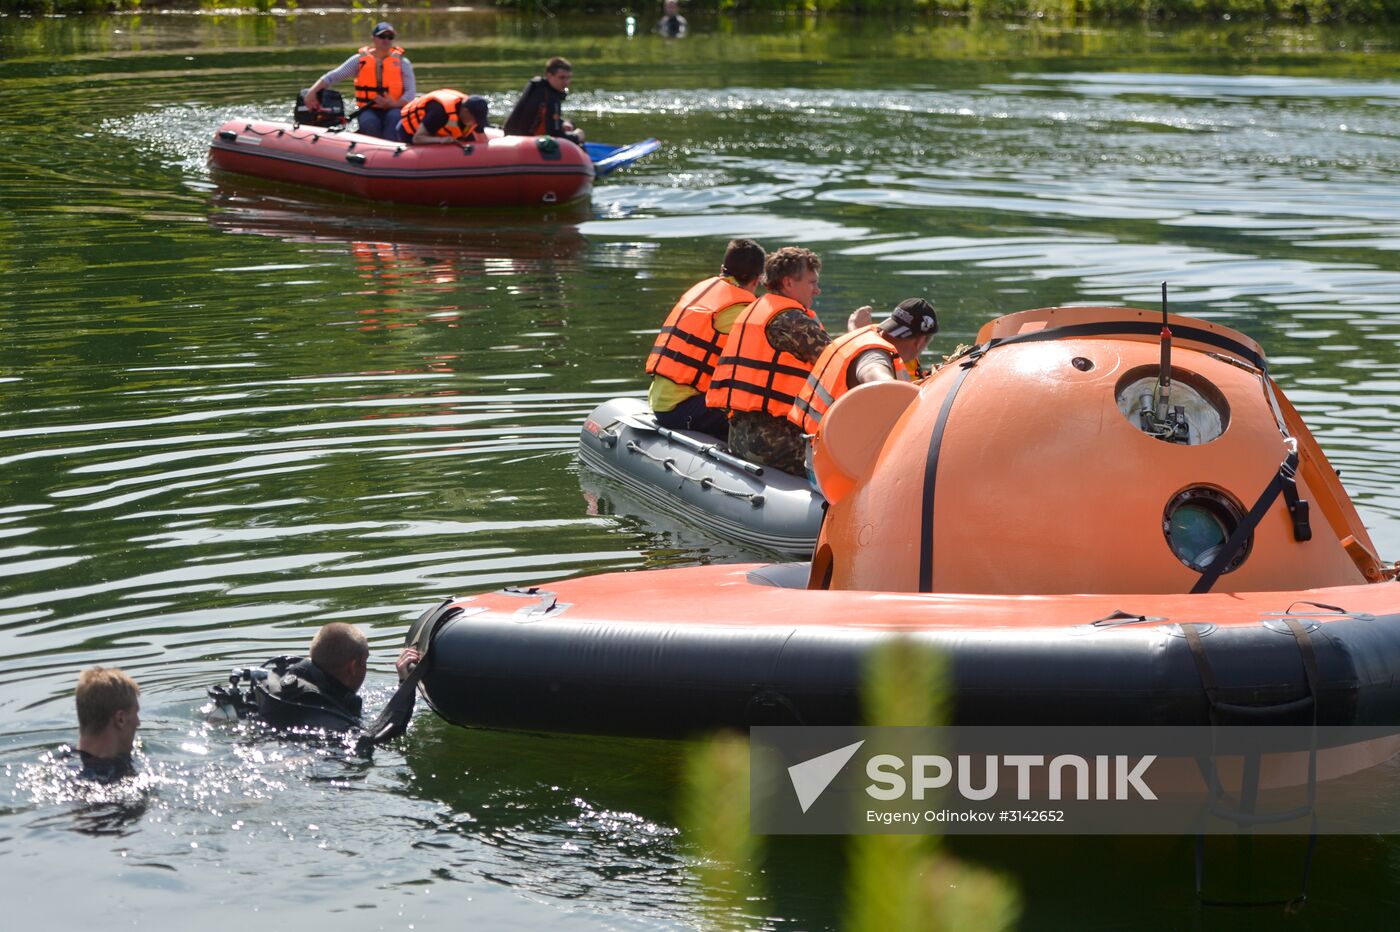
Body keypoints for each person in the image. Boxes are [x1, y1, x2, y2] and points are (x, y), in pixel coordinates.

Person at [706, 246, 832, 476]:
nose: (817, 291)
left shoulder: (754, 309)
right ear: (788, 283)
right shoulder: (794, 321)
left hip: (739, 438)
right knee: (855, 461)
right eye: (811, 283)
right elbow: (838, 365)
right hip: (777, 446)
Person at [646, 239, 766, 439]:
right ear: (757, 279)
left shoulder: (702, 291)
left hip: (661, 401)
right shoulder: (740, 312)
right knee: (763, 425)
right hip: (684, 408)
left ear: (722, 270)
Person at [788, 298, 939, 441]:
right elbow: (877, 376)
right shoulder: (875, 357)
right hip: (833, 459)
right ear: (920, 342)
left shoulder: (864, 336)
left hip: (817, 445)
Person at [305, 21, 416, 141]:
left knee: (394, 119)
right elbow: (333, 76)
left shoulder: (403, 63)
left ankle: (393, 153)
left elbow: (410, 93)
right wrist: (311, 92)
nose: (386, 40)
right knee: (370, 122)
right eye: (382, 36)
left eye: (390, 37)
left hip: (395, 107)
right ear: (373, 38)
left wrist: (392, 104)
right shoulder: (359, 61)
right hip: (368, 109)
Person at [74, 666, 141, 784]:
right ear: (120, 719)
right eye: (136, 713)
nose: (138, 723)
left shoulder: (63, 761)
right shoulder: (119, 774)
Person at [503, 57, 584, 145]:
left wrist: (563, 123)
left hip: (511, 136)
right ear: (549, 76)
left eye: (568, 78)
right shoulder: (551, 99)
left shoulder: (537, 87)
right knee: (578, 134)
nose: (566, 82)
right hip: (526, 144)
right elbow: (556, 135)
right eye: (562, 78)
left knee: (570, 123)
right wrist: (577, 136)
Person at [397, 89, 490, 145]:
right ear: (466, 112)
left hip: (444, 132)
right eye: (475, 119)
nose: (476, 123)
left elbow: (483, 140)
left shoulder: (475, 117)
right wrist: (441, 140)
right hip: (410, 132)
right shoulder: (440, 113)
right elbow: (417, 138)